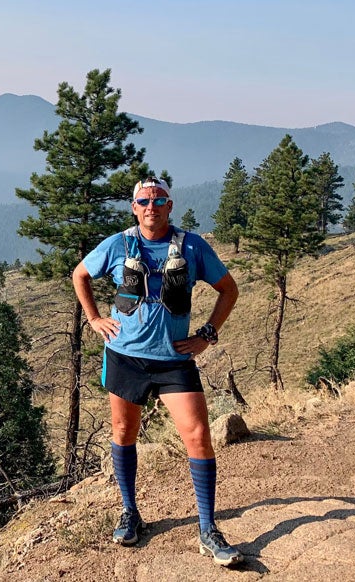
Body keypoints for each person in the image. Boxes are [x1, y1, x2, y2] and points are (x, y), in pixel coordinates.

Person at [71, 177, 242, 566]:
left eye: (159, 200)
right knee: (123, 432)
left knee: (198, 436)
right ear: (134, 207)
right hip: (125, 356)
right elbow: (80, 275)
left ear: (170, 206)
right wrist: (94, 319)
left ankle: (208, 529)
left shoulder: (193, 246)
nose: (152, 207)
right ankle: (130, 512)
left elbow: (229, 289)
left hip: (174, 360)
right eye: (144, 201)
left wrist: (207, 335)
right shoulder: (118, 244)